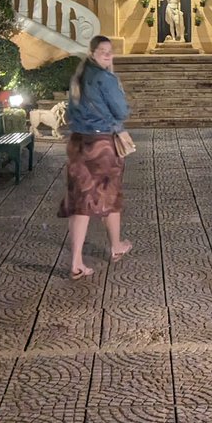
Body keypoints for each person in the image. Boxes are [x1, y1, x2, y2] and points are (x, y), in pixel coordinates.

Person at [58, 35, 132, 279]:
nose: (108, 55)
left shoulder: (78, 76)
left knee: (80, 199)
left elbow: (69, 110)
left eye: (110, 51)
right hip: (101, 143)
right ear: (92, 53)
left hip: (79, 141)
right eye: (103, 51)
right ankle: (116, 245)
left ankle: (77, 261)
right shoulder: (105, 77)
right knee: (109, 194)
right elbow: (121, 110)